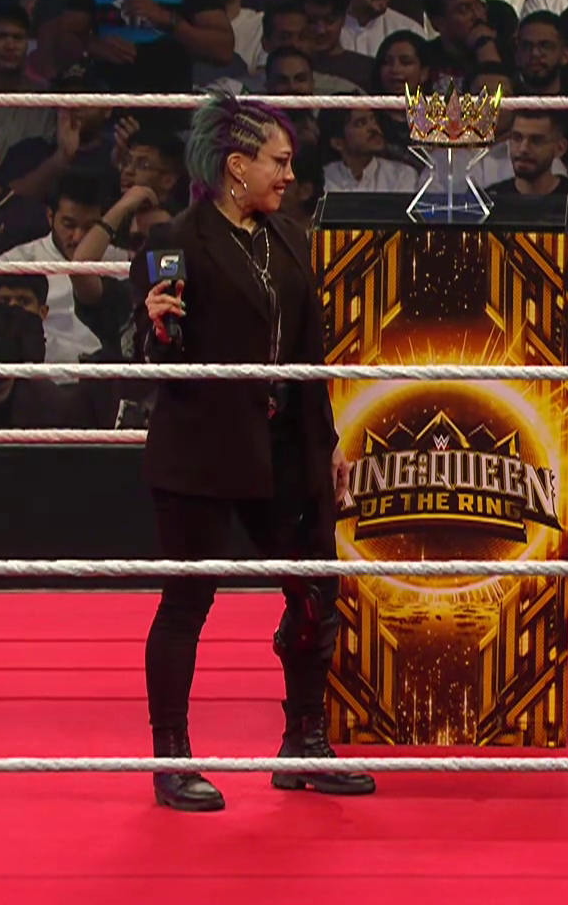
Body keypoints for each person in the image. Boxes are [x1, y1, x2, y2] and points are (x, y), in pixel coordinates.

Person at [132, 92, 374, 812]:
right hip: (204, 448)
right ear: (237, 166)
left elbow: (309, 351)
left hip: (286, 446)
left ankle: (305, 743)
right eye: (279, 161)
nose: (290, 175)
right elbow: (161, 353)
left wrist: (326, 441)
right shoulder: (177, 241)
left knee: (315, 591)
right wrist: (156, 327)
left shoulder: (288, 236)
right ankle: (172, 759)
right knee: (188, 602)